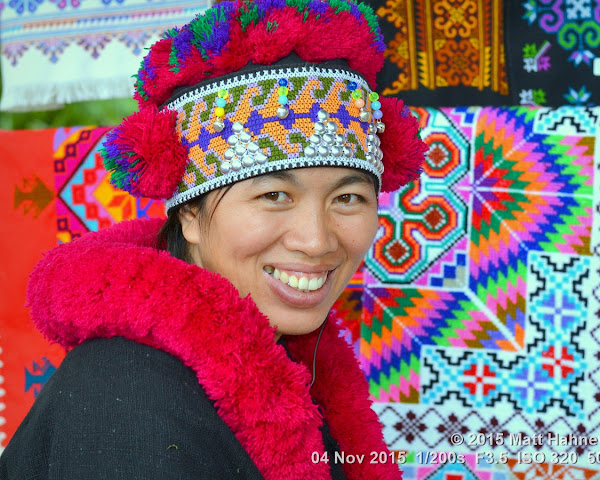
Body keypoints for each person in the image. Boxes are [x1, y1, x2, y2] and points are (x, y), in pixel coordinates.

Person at [0, 0, 426, 478]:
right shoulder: (128, 398)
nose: (316, 240)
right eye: (274, 194)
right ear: (190, 217)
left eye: (348, 198)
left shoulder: (292, 367)